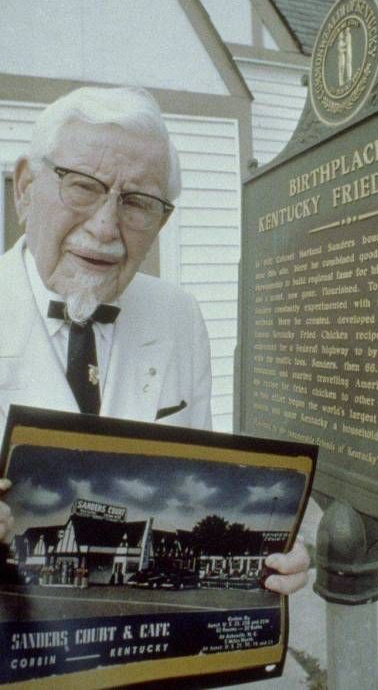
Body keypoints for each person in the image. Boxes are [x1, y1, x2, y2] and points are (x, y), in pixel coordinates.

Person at [0, 86, 308, 594]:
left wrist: (268, 554)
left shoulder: (179, 316)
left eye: (137, 203)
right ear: (25, 187)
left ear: (161, 221)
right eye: (82, 186)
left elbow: (200, 497)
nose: (104, 228)